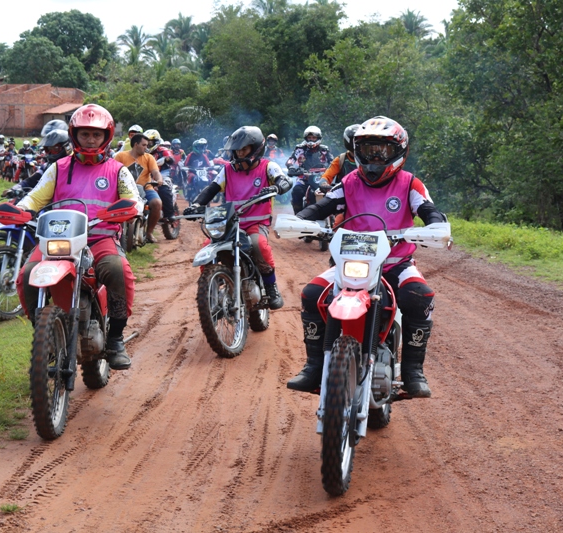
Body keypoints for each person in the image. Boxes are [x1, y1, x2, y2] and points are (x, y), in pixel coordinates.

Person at [287, 116, 445, 398]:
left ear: (398, 151)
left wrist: (435, 225)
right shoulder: (349, 181)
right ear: (356, 151)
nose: (374, 156)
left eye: (381, 150)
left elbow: (427, 209)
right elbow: (324, 205)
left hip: (396, 264)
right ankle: (314, 366)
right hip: (350, 262)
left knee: (420, 295)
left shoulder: (410, 184)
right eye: (368, 149)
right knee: (312, 294)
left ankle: (412, 370)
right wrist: (301, 220)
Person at [15, 104, 141, 370]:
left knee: (119, 271)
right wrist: (21, 210)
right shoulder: (58, 168)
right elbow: (35, 197)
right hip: (59, 241)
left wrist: (128, 209)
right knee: (27, 275)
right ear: (74, 135)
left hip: (100, 238)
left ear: (106, 136)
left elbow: (133, 200)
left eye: (96, 135)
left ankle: (116, 338)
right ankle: (45, 337)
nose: (90, 140)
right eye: (85, 134)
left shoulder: (117, 170)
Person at [183, 126, 292, 309]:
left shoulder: (268, 167)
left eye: (244, 149)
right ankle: (212, 287)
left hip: (256, 223)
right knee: (207, 247)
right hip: (231, 222)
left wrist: (276, 187)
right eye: (237, 150)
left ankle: (271, 287)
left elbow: (284, 180)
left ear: (256, 149)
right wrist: (196, 205)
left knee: (259, 245)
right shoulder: (227, 170)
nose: (239, 154)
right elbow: (212, 189)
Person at [115, 133, 169, 243]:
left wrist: (159, 179)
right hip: (126, 190)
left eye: (147, 145)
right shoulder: (120, 156)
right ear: (136, 144)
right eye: (144, 145)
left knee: (157, 203)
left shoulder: (149, 158)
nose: (147, 148)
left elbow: (155, 172)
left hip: (146, 188)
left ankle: (149, 233)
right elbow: (114, 172)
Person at [285, 126, 333, 214]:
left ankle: (332, 215)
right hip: (304, 177)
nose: (311, 140)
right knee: (296, 191)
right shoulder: (300, 148)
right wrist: (291, 167)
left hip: (321, 178)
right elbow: (290, 160)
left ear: (318, 138)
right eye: (309, 137)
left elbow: (332, 162)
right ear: (306, 138)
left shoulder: (324, 150)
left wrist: (330, 170)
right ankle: (298, 214)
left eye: (314, 138)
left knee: (332, 193)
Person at [144, 129, 177, 223]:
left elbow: (171, 158)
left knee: (163, 188)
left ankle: (169, 214)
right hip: (148, 175)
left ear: (156, 141)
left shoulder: (163, 150)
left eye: (150, 142)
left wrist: (167, 159)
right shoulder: (144, 152)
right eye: (146, 142)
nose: (148, 144)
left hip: (163, 173)